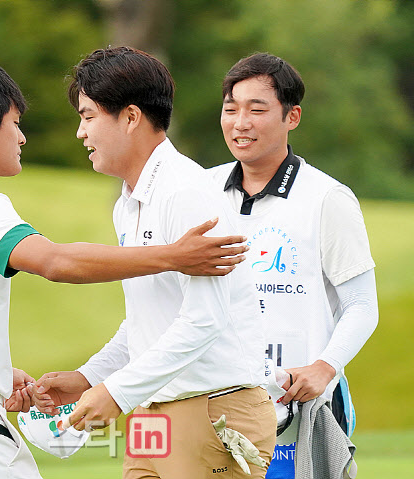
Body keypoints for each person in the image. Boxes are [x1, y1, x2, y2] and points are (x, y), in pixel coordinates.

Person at [0, 59, 249, 479]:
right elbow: (55, 261)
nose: (22, 137)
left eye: (87, 116)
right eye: (14, 122)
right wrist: (172, 255)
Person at [33, 47, 276, 479]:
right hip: (152, 412)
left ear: (130, 118)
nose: (80, 133)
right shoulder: (127, 203)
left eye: (88, 117)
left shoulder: (185, 192)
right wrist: (90, 377)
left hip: (212, 408)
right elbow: (149, 318)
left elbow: (205, 319)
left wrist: (117, 391)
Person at [208, 53, 379, 478]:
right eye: (231, 109)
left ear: (292, 117)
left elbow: (361, 305)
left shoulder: (326, 198)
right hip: (215, 406)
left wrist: (325, 367)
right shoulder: (202, 189)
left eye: (257, 109)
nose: (240, 122)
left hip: (300, 411)